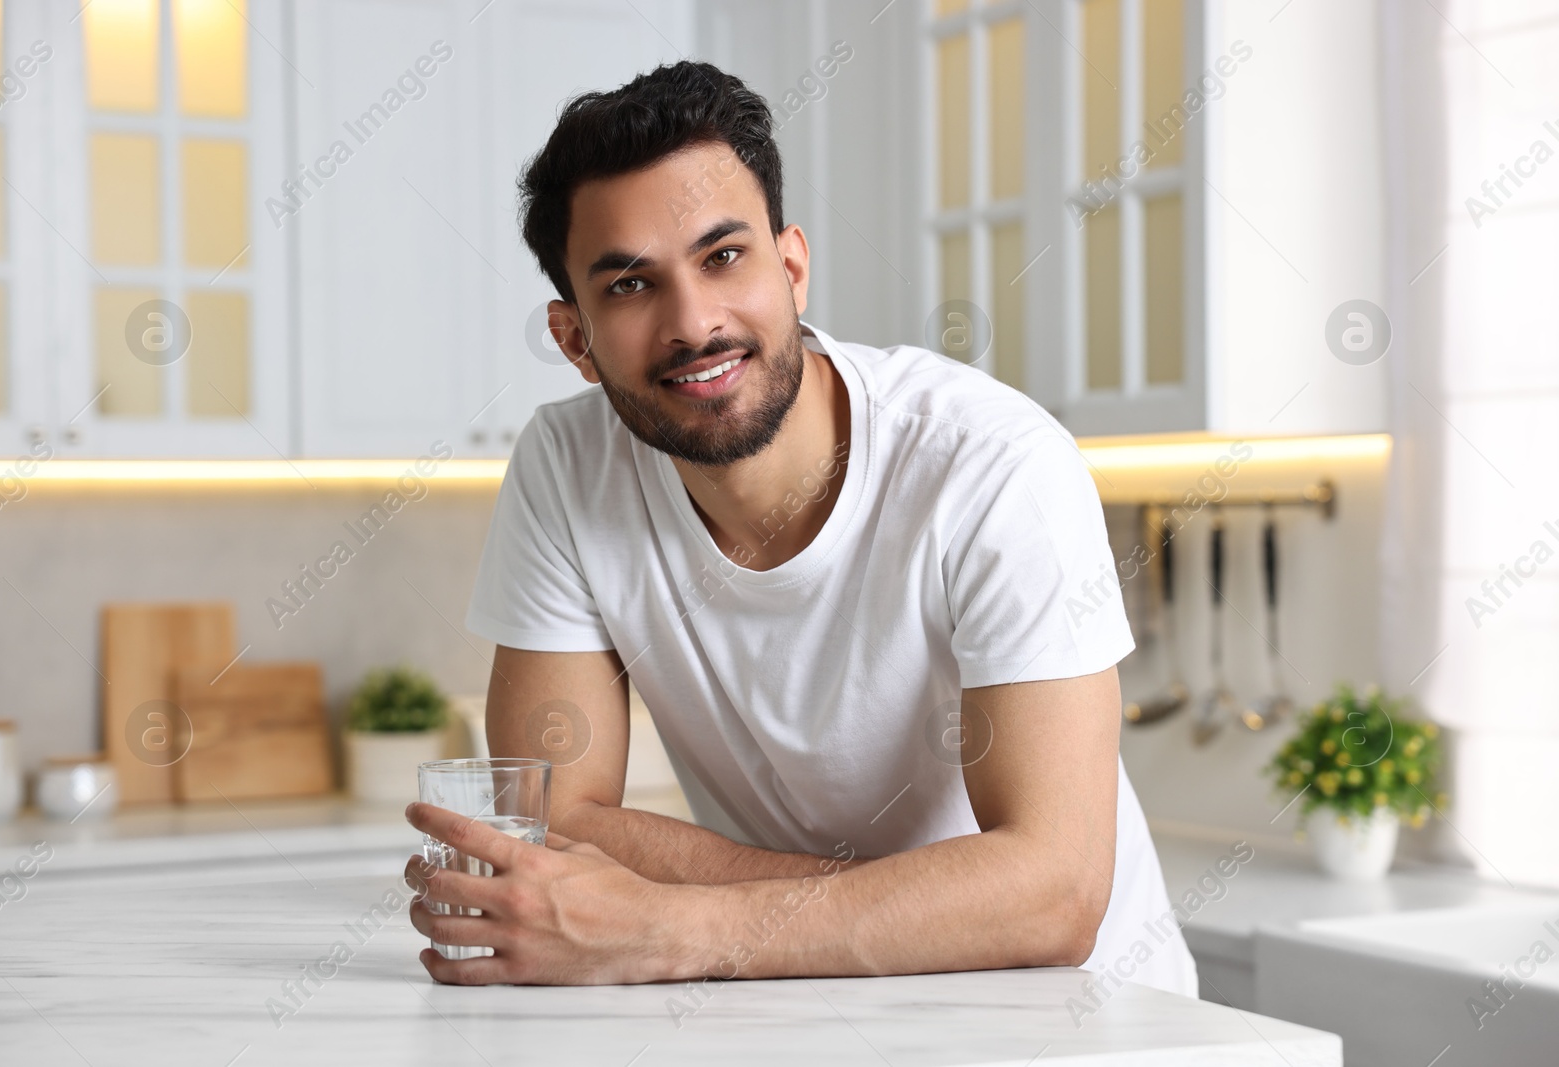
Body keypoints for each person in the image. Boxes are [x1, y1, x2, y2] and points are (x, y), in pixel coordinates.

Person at [404, 59, 1197, 998]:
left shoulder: (993, 463)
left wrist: (673, 925)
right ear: (575, 338)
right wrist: (911, 906)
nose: (693, 322)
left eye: (724, 256)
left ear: (791, 266)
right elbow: (556, 821)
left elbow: (1053, 894)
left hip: (1074, 1024)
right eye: (629, 286)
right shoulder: (565, 468)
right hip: (811, 1003)